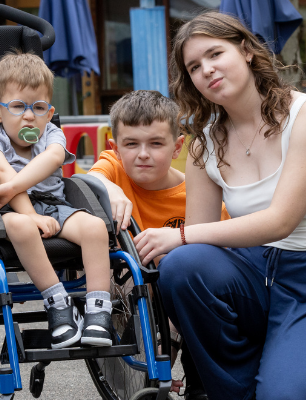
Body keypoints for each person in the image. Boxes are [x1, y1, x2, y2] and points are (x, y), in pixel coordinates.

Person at [133, 12, 306, 400]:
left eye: (215, 54)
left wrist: (177, 234)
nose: (207, 70)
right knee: (183, 265)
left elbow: (281, 220)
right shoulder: (204, 143)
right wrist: (173, 322)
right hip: (250, 276)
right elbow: (199, 249)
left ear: (247, 51)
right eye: (194, 67)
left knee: (287, 394)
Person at [87, 89, 226, 399]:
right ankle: (149, 367)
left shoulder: (197, 194)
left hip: (179, 290)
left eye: (156, 144)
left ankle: (195, 379)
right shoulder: (113, 167)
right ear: (115, 147)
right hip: (129, 286)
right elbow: (92, 177)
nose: (143, 154)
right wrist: (109, 188)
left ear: (177, 146)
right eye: (131, 144)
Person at [0, 52, 113, 349]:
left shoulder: (52, 133)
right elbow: (3, 175)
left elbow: (52, 160)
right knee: (22, 226)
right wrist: (30, 215)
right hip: (2, 210)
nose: (29, 116)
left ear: (49, 112)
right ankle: (58, 303)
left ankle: (99, 309)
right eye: (19, 106)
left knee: (96, 227)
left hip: (52, 204)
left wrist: (36, 210)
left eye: (38, 107)